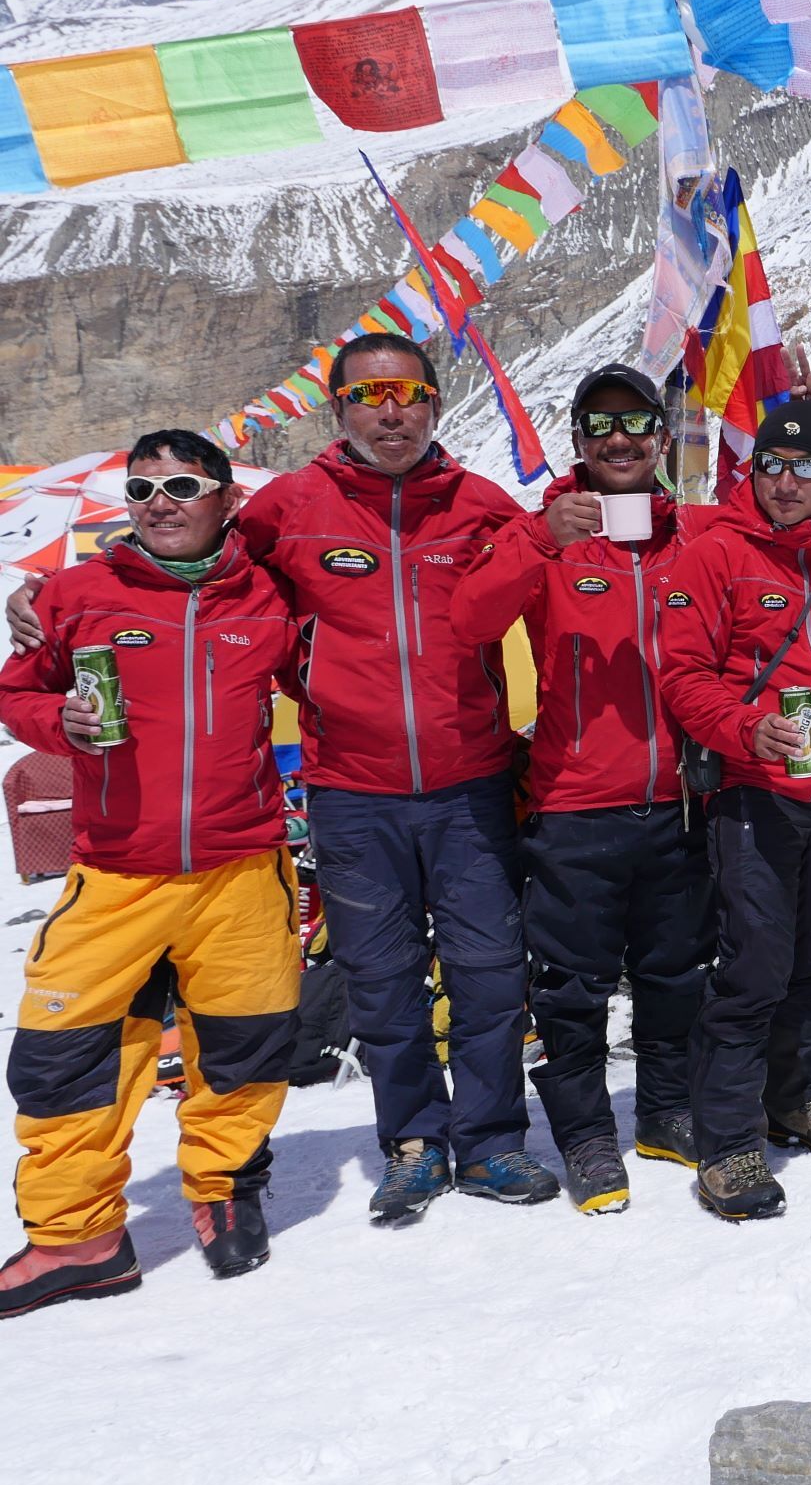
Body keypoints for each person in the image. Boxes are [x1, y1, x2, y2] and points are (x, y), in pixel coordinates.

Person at [1, 336, 554, 1221]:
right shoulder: (291, 509)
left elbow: (560, 575)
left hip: (469, 784)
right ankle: (413, 1142)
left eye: (408, 393)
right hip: (349, 790)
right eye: (369, 394)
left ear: (435, 404)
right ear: (338, 410)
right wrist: (50, 596)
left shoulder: (482, 507)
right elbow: (183, 566)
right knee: (381, 976)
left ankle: (491, 1145)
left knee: (490, 970)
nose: (390, 410)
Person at [0, 430, 301, 1317]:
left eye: (181, 483)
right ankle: (79, 1238)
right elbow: (16, 692)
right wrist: (60, 721)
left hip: (242, 862)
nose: (159, 501)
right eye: (141, 488)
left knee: (244, 1048)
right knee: (66, 1056)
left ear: (224, 500)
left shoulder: (275, 595)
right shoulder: (75, 594)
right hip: (116, 870)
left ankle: (223, 1188)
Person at [454, 364, 712, 1215]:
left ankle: (666, 1113)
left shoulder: (694, 535)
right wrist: (540, 538)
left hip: (679, 802)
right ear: (578, 443)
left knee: (676, 973)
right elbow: (470, 622)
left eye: (636, 423)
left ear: (662, 438)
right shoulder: (547, 537)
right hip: (574, 803)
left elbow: (794, 508)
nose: (620, 438)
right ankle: (587, 1137)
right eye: (599, 425)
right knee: (572, 987)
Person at [659, 401, 811, 1220]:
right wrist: (751, 729)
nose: (787, 484)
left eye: (808, 468)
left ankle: (794, 1097)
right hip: (755, 792)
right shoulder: (716, 556)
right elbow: (683, 676)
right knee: (753, 966)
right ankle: (729, 1142)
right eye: (773, 467)